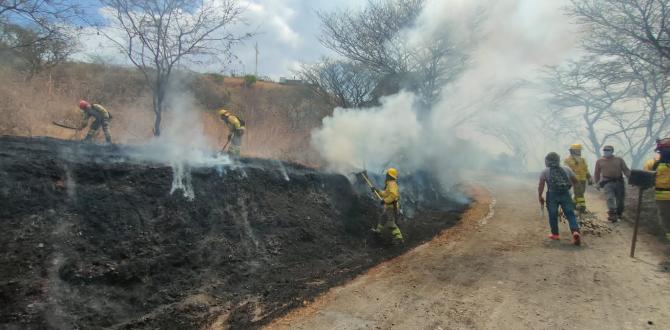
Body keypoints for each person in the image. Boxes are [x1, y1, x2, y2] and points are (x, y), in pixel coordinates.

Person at [538, 152, 581, 245]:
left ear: (547, 161)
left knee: (553, 215)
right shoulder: (566, 169)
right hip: (566, 194)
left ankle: (555, 234)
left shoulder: (545, 171)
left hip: (552, 195)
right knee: (570, 214)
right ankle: (575, 231)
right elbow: (576, 182)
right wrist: (574, 193)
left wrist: (540, 195)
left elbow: (541, 184)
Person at [594, 145, 631, 222]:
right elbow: (597, 173)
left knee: (620, 200)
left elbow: (626, 170)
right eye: (605, 150)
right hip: (607, 182)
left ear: (612, 151)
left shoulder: (619, 160)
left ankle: (619, 214)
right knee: (609, 198)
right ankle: (612, 214)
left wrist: (631, 179)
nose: (606, 151)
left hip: (619, 182)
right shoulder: (600, 161)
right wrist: (596, 183)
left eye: (608, 150)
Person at [371, 168, 404, 245]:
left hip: (392, 207)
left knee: (390, 223)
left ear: (389, 175)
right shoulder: (389, 183)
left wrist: (385, 201)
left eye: (387, 174)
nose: (386, 175)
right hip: (389, 206)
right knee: (383, 217)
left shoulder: (392, 183)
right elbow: (386, 193)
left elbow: (393, 195)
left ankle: (399, 238)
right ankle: (378, 232)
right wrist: (377, 191)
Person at [646, 138, 670, 241]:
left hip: (661, 196)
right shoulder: (653, 162)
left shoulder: (653, 162)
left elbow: (645, 178)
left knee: (666, 219)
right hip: (661, 196)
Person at [564, 143, 594, 213]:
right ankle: (582, 207)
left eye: (580, 150)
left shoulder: (583, 160)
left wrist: (589, 177)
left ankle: (573, 204)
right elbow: (566, 170)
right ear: (572, 150)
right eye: (577, 150)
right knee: (579, 193)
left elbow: (585, 169)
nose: (579, 151)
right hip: (574, 179)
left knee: (581, 192)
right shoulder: (567, 160)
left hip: (583, 179)